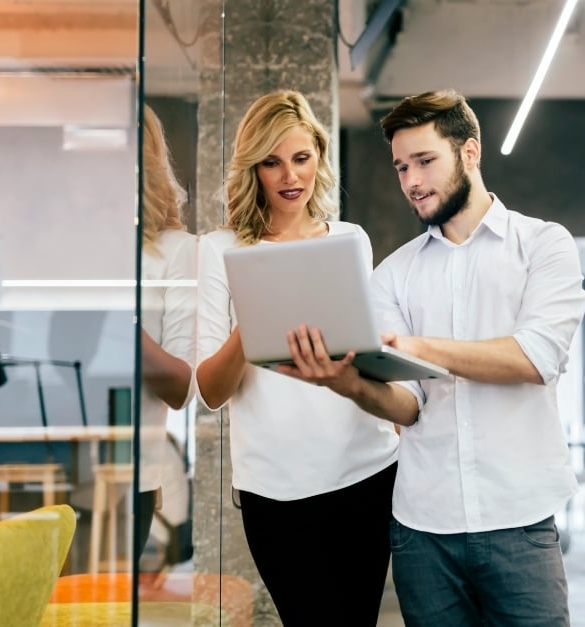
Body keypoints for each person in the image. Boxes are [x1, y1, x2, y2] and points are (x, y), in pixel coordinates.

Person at [279, 89, 585, 627]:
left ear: (470, 153)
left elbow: (533, 358)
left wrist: (417, 346)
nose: (412, 182)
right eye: (401, 167)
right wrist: (344, 382)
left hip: (519, 520)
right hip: (423, 532)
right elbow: (408, 406)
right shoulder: (394, 274)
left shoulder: (543, 245)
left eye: (425, 161)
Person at [194, 90, 399, 625]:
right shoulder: (220, 250)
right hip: (274, 486)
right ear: (253, 168)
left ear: (319, 158)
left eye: (302, 158)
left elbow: (363, 351)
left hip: (365, 471)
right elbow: (212, 392)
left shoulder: (351, 239)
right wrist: (254, 315)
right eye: (272, 161)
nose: (290, 175)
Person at [136, 103, 197, 565]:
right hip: (38, 467)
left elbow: (182, 387)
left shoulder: (174, 252)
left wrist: (117, 326)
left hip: (128, 480)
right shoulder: (66, 244)